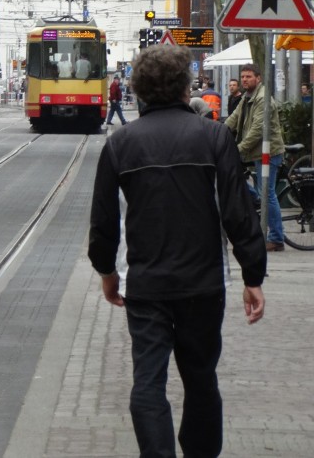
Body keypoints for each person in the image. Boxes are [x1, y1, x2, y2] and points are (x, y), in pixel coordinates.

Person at [89, 44, 265, 458]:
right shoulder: (214, 136)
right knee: (201, 377)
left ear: (139, 91)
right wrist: (252, 275)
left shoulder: (120, 144)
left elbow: (103, 223)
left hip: (146, 285)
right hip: (203, 284)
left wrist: (108, 274)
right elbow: (239, 213)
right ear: (187, 89)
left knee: (147, 380)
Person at [224, 64, 286, 251]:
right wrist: (217, 134)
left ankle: (276, 239)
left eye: (248, 77)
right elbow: (233, 119)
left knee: (268, 194)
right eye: (242, 77)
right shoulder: (246, 97)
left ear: (258, 78)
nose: (244, 80)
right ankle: (256, 199)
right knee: (236, 178)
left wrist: (238, 149)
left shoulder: (262, 98)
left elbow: (258, 130)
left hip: (268, 152)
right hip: (256, 152)